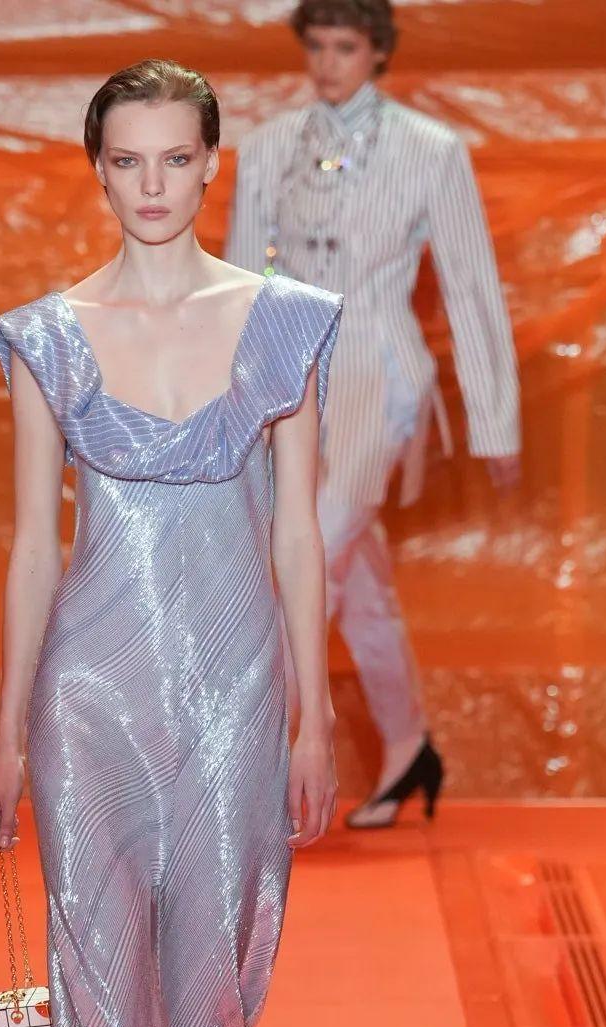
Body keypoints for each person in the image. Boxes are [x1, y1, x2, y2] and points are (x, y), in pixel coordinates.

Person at [0, 59, 342, 1027]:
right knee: (100, 991)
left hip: (238, 695)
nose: (150, 184)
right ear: (96, 169)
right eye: (125, 160)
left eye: (174, 159)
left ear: (211, 164)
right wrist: (7, 734)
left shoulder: (283, 323)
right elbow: (33, 545)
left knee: (207, 992)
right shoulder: (47, 338)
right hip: (89, 701)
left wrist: (314, 712)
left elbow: (298, 532)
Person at [225, 0, 522, 827]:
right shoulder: (269, 146)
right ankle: (408, 744)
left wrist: (496, 422)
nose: (328, 63)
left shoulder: (432, 149)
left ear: (379, 52)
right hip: (288, 372)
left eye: (346, 47)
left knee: (309, 555)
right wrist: (234, 404)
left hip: (376, 370)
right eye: (317, 45)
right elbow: (242, 281)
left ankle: (252, 777)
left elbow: (471, 286)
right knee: (354, 580)